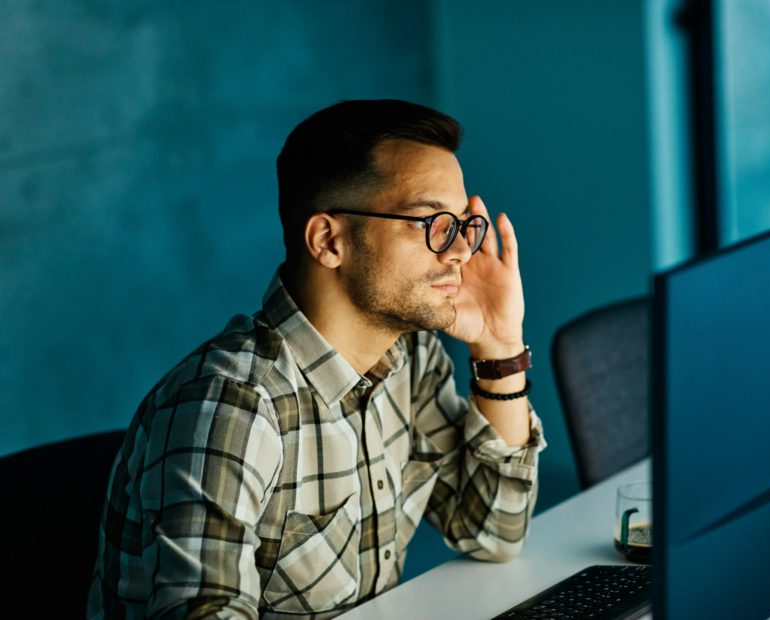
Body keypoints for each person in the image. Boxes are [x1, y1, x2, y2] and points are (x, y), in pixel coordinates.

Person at [88, 99, 545, 619]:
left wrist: (499, 346)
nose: (460, 250)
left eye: (461, 224)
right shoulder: (229, 407)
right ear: (328, 240)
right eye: (430, 223)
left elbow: (494, 532)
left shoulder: (410, 355)